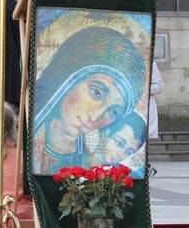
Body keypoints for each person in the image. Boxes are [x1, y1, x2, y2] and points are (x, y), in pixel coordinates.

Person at [33, 27, 147, 175]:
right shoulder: (24, 141)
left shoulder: (88, 163)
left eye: (113, 112)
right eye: (96, 93)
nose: (95, 117)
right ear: (69, 78)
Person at [82, 111, 147, 170]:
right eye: (119, 143)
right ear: (106, 133)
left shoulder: (124, 173)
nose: (120, 153)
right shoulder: (76, 158)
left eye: (128, 152)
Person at [148, 61, 164, 178]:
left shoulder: (151, 64)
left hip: (146, 108)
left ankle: (147, 168)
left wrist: (144, 88)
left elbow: (159, 86)